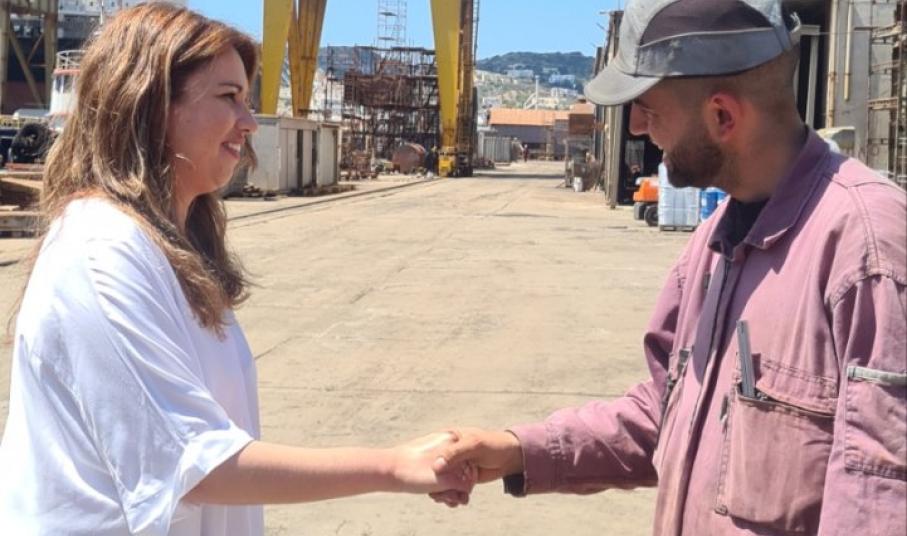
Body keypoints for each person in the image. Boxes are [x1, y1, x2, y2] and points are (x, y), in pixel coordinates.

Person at [432, 0, 907, 534]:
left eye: (650, 109)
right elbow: (666, 411)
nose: (637, 127)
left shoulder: (868, 253)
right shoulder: (711, 245)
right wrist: (519, 450)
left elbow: (880, 501)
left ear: (722, 116)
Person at [0, 5, 473, 535]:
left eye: (247, 100)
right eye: (229, 97)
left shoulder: (172, 246)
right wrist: (392, 466)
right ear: (150, 105)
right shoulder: (100, 251)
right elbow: (197, 463)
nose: (248, 123)